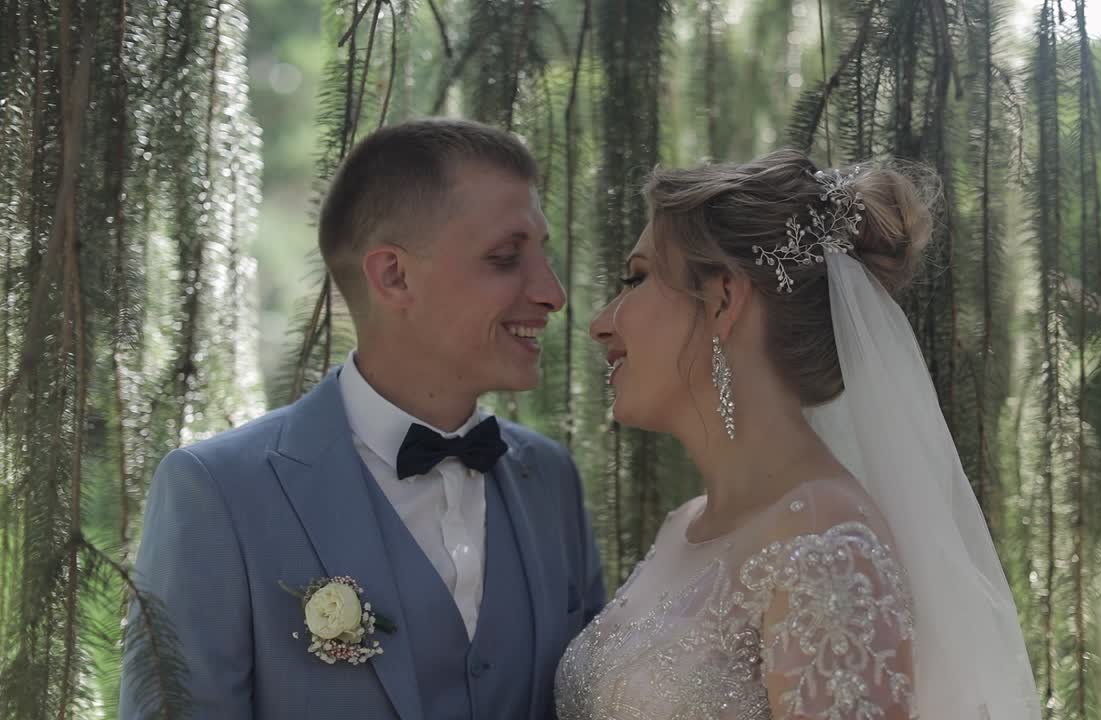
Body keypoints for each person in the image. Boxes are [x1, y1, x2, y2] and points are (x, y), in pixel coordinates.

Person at [121, 118, 605, 720]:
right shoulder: (217, 494)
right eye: (506, 258)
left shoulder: (550, 480)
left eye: (542, 253)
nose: (552, 292)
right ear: (393, 276)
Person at [557, 149, 1040, 719]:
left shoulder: (826, 540)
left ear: (723, 299)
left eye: (636, 278)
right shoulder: (682, 525)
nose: (600, 323)